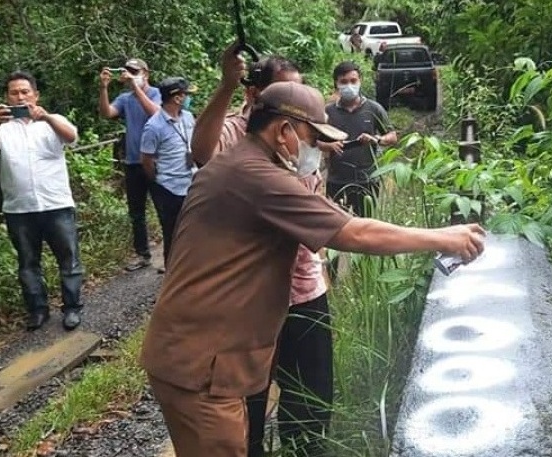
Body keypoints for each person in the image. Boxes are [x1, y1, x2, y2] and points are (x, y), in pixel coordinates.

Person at [140, 80, 486, 457]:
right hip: (202, 365)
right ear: (284, 130)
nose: (318, 147)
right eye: (313, 136)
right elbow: (355, 234)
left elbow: (333, 218)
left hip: (193, 354)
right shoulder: (258, 178)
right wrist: (443, 238)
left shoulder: (240, 164)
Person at [190, 45, 327, 456]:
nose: (296, 106)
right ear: (256, 98)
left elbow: (319, 205)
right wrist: (227, 83)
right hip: (250, 300)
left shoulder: (304, 138)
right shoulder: (235, 134)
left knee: (311, 394)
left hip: (304, 289)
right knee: (248, 397)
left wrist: (323, 270)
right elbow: (201, 151)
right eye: (286, 95)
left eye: (300, 92)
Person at [0, 71, 83, 331]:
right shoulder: (1, 128)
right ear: (7, 97)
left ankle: (71, 308)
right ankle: (37, 311)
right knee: (27, 263)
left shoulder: (53, 120)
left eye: (25, 91)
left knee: (68, 260)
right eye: (14, 92)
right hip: (19, 209)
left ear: (35, 95)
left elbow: (71, 137)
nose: (20, 96)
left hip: (56, 204)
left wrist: (45, 116)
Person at [98, 58, 161, 271]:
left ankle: (173, 256)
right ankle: (143, 254)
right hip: (133, 162)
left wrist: (136, 86)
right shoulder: (125, 99)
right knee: (136, 212)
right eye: (128, 71)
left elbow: (156, 114)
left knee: (165, 208)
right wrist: (104, 87)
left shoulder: (156, 94)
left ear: (146, 73)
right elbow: (107, 113)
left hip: (156, 161)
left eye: (135, 71)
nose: (131, 74)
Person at [319, 61, 398, 218]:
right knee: (337, 226)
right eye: (344, 82)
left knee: (365, 225)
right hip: (337, 180)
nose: (349, 85)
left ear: (360, 81)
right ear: (336, 84)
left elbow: (393, 136)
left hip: (367, 179)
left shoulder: (374, 109)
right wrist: (329, 146)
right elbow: (313, 140)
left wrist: (376, 139)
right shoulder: (328, 112)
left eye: (353, 81)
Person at [140, 77, 197, 271]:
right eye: (186, 95)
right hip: (169, 188)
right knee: (172, 236)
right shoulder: (154, 126)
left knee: (194, 234)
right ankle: (172, 282)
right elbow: (146, 159)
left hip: (191, 184)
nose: (189, 99)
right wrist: (157, 180)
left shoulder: (188, 117)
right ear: (177, 98)